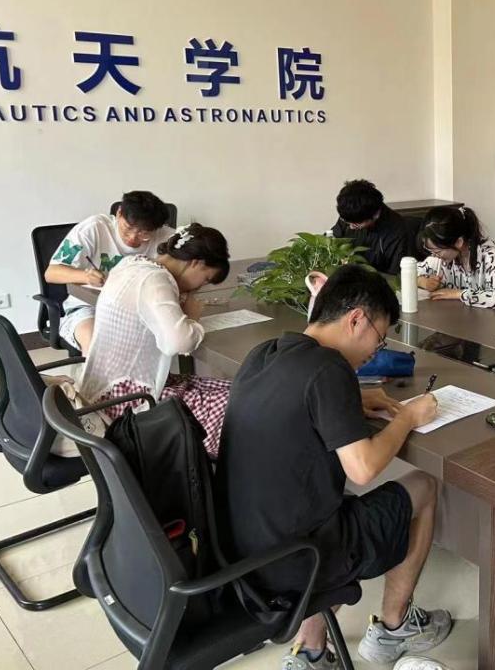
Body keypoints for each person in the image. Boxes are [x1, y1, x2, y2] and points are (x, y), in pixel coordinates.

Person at [215, 264, 453, 670]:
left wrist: (353, 400)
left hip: (241, 551)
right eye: (379, 339)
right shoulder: (330, 368)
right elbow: (363, 469)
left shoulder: (266, 353)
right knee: (424, 487)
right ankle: (394, 626)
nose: (375, 352)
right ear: (355, 319)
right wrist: (408, 417)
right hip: (297, 561)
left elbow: (296, 403)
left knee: (327, 509)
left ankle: (311, 651)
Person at [78, 224, 232, 457]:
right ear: (196, 263)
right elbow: (177, 343)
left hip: (105, 391)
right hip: (130, 405)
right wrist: (192, 318)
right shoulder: (156, 280)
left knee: (238, 390)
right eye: (205, 279)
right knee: (240, 405)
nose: (200, 287)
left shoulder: (132, 264)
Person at [44, 190, 173, 353]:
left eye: (144, 234)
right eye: (128, 228)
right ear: (119, 213)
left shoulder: (167, 238)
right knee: (95, 347)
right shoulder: (94, 228)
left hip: (141, 311)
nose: (133, 238)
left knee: (168, 342)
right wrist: (85, 276)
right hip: (90, 307)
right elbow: (52, 273)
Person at [417, 206, 495, 309]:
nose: (434, 256)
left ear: (459, 242)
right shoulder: (442, 257)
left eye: (437, 251)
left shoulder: (492, 255)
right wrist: (423, 282)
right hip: (467, 314)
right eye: (431, 251)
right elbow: (410, 272)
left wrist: (458, 294)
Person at [331, 179, 415, 274]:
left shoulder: (398, 233)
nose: (351, 227)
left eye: (356, 224)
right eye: (346, 221)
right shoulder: (351, 214)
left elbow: (396, 276)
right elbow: (332, 240)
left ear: (375, 215)